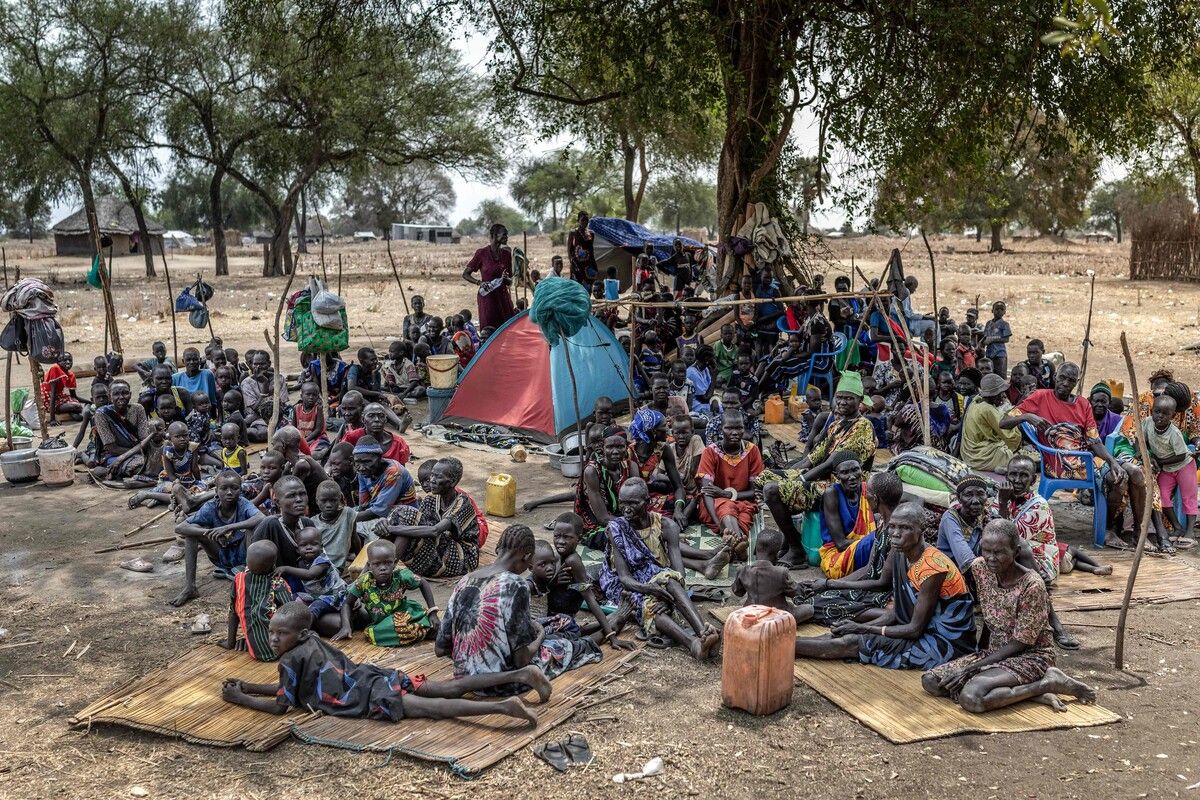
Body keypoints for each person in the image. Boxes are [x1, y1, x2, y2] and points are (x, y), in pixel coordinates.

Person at [220, 601, 540, 725]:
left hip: (369, 695)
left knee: (436, 707)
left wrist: (241, 698)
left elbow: (281, 705)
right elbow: (288, 690)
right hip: (375, 677)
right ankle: (520, 674)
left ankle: (504, 708)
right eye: (271, 633)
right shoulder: (312, 641)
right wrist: (248, 684)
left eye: (281, 634)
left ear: (300, 633)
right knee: (448, 687)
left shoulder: (289, 660)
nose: (274, 640)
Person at [923, 520, 1097, 713]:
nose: (990, 558)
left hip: (1030, 656)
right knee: (932, 681)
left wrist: (970, 669)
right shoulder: (980, 569)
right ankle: (1030, 692)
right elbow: (991, 618)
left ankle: (1047, 683)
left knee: (972, 698)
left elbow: (1019, 644)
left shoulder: (1032, 586)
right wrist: (977, 658)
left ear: (1016, 552)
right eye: (986, 550)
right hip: (996, 652)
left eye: (998, 552)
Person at [792, 503, 976, 670]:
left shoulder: (932, 567)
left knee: (851, 643)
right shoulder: (900, 553)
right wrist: (857, 626)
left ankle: (782, 647)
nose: (895, 533)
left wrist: (865, 628)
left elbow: (914, 629)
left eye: (905, 528)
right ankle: (788, 645)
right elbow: (895, 612)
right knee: (840, 635)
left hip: (942, 641)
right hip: (917, 628)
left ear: (921, 530)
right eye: (892, 527)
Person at [437, 525, 603, 694]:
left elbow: (441, 648)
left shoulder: (465, 580)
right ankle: (608, 630)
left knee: (556, 622)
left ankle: (598, 628)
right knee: (563, 646)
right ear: (527, 557)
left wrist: (474, 655)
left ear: (498, 548)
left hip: (465, 678)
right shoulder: (516, 585)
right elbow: (522, 660)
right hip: (501, 684)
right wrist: (540, 637)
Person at [760, 371, 878, 568]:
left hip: (842, 486)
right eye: (839, 397)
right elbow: (812, 458)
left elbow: (831, 464)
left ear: (860, 401)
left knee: (772, 490)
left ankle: (796, 549)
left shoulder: (863, 427)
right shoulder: (837, 424)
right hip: (824, 478)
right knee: (764, 477)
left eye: (848, 398)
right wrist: (791, 471)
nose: (841, 402)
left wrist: (798, 481)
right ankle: (791, 538)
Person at [1015, 362, 1135, 545]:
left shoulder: (1083, 404)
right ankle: (1108, 529)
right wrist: (1027, 416)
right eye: (1062, 377)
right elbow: (1005, 420)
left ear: (1076, 383)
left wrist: (1112, 460)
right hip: (1058, 463)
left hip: (1085, 461)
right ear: (1055, 377)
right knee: (1114, 477)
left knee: (1120, 476)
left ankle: (1107, 528)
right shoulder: (1040, 396)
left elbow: (1094, 440)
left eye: (1070, 380)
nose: (1065, 383)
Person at [599, 481, 722, 659]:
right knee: (649, 606)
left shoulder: (667, 526)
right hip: (623, 584)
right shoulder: (616, 528)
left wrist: (669, 601)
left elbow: (679, 574)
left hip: (654, 575)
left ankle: (703, 631)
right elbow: (624, 578)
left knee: (670, 580)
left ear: (647, 501)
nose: (626, 509)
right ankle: (693, 644)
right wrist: (651, 590)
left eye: (633, 503)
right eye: (623, 503)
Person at [799, 471, 904, 624]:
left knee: (820, 606)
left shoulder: (896, 534)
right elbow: (868, 569)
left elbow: (882, 583)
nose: (865, 496)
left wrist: (831, 584)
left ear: (875, 499)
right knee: (815, 597)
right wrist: (830, 586)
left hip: (889, 594)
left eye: (868, 493)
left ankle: (887, 615)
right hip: (875, 587)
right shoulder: (883, 523)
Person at [1000, 454, 1111, 582]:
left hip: (1040, 559)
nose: (1017, 480)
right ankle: (1092, 568)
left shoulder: (1038, 506)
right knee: (1070, 558)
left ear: (1033, 480)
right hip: (1047, 550)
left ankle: (1096, 567)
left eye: (1024, 475)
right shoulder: (1005, 496)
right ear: (1006, 476)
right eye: (1013, 474)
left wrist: (1002, 503)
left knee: (1069, 552)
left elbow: (1009, 538)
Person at [169, 470, 264, 606]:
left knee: (252, 527)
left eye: (234, 488)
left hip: (244, 555)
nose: (229, 492)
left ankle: (249, 578)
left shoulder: (243, 504)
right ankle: (190, 587)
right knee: (191, 533)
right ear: (216, 491)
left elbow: (261, 518)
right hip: (221, 555)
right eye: (224, 488)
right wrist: (209, 532)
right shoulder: (210, 507)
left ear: (240, 490)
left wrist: (228, 528)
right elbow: (180, 528)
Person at [375, 458, 481, 578]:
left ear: (452, 482)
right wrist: (386, 523)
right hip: (438, 551)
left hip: (461, 559)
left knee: (406, 514)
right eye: (432, 476)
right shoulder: (431, 499)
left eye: (438, 477)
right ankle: (368, 575)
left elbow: (434, 531)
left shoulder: (463, 503)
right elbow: (414, 526)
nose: (432, 481)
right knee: (401, 515)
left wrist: (391, 528)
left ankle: (384, 575)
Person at [345, 539, 437, 646]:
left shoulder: (401, 576)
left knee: (427, 620)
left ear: (394, 563)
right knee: (375, 633)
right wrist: (346, 625)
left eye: (388, 563)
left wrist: (433, 612)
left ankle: (419, 632)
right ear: (369, 565)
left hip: (404, 613)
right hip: (382, 623)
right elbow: (347, 603)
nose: (383, 568)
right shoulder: (363, 582)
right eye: (377, 564)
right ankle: (422, 633)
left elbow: (423, 583)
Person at [698, 410, 763, 558]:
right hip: (713, 505)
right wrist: (720, 524)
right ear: (721, 429)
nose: (734, 432)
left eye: (739, 428)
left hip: (743, 501)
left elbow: (756, 491)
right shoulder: (710, 452)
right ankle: (738, 542)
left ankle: (733, 542)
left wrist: (726, 494)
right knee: (726, 506)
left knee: (744, 516)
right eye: (729, 428)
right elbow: (707, 492)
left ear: (744, 428)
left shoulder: (752, 451)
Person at [220, 540, 295, 661]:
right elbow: (292, 612)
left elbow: (233, 612)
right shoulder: (277, 582)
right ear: (274, 565)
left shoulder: (238, 580)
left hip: (255, 651)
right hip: (280, 650)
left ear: (247, 563)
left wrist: (230, 643)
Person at [1142, 394, 1195, 552]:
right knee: (1161, 497)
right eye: (1157, 411)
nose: (1160, 416)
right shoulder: (1147, 423)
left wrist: (1159, 462)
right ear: (1152, 410)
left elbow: (1181, 455)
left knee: (1189, 497)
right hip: (1167, 469)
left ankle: (1190, 532)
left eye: (1165, 414)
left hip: (1184, 465)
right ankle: (1177, 527)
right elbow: (1142, 440)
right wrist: (1145, 455)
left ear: (1173, 415)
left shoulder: (1174, 433)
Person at [816, 453, 878, 579]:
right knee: (884, 538)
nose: (852, 477)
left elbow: (910, 497)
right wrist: (876, 542)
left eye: (855, 470)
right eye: (845, 472)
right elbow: (840, 544)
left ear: (861, 469)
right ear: (836, 475)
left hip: (866, 550)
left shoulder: (868, 489)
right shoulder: (831, 493)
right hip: (839, 558)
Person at [732, 529, 811, 624]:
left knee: (745, 602)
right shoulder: (781, 572)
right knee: (809, 608)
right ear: (778, 555)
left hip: (751, 615)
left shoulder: (743, 570)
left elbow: (738, 592)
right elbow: (794, 592)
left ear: (755, 550)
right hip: (777, 617)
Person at [89, 379, 155, 482]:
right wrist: (138, 453)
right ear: (110, 397)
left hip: (138, 451)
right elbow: (112, 448)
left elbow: (144, 439)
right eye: (116, 394)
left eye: (125, 393)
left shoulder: (138, 409)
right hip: (115, 455)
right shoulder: (102, 414)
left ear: (130, 394)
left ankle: (110, 472)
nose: (121, 397)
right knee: (142, 466)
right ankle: (106, 471)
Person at [960, 373, 1025, 473]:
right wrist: (1021, 416)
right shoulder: (988, 409)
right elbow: (1009, 435)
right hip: (979, 457)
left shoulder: (976, 400)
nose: (1003, 396)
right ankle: (1000, 466)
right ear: (993, 395)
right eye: (1001, 393)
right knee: (1023, 461)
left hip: (968, 454)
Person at [250, 475, 316, 569]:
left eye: (302, 494)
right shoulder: (269, 525)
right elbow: (254, 566)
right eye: (291, 496)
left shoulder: (308, 524)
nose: (299, 499)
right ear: (277, 502)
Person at [352, 436, 417, 528]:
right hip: (377, 512)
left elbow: (379, 511)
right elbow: (364, 504)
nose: (361, 467)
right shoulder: (363, 472)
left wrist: (348, 518)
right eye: (357, 462)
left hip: (402, 516)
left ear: (379, 458)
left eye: (367, 462)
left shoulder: (394, 472)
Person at [462, 223, 516, 329]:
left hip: (503, 297)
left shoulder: (506, 254)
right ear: (495, 236)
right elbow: (465, 274)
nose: (507, 237)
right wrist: (480, 283)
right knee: (489, 329)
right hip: (488, 298)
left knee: (506, 328)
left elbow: (510, 281)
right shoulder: (482, 254)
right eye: (504, 235)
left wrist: (506, 279)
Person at [342, 402, 410, 465]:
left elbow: (401, 472)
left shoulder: (399, 444)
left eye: (381, 416)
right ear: (363, 420)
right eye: (371, 416)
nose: (377, 419)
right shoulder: (351, 437)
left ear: (386, 420)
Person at [288, 382, 328, 462]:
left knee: (313, 452)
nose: (311, 397)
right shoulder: (296, 408)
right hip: (302, 438)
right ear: (301, 396)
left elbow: (318, 430)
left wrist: (305, 441)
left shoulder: (318, 409)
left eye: (314, 395)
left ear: (318, 397)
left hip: (317, 438)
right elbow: (293, 427)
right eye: (308, 394)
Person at [41, 352, 83, 424]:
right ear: (58, 362)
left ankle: (70, 411)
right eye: (65, 360)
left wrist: (90, 402)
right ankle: (70, 412)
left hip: (59, 396)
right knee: (74, 407)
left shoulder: (70, 374)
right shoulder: (55, 369)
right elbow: (53, 395)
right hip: (48, 398)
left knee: (78, 406)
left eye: (70, 360)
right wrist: (52, 420)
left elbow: (74, 396)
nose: (68, 362)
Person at [567, 211, 597, 287]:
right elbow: (569, 250)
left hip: (588, 265)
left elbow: (591, 250)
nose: (585, 222)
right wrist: (572, 263)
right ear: (578, 221)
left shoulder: (591, 233)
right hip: (577, 265)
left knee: (588, 284)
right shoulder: (573, 232)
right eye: (582, 220)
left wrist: (594, 265)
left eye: (586, 220)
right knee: (576, 285)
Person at [982, 301, 1012, 378]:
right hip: (989, 353)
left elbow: (1006, 339)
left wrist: (992, 340)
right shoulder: (988, 323)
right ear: (992, 310)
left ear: (1005, 312)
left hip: (1000, 354)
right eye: (997, 309)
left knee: (1000, 376)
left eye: (1002, 309)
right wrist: (983, 343)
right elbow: (985, 336)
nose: (999, 311)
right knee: (989, 374)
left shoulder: (1004, 324)